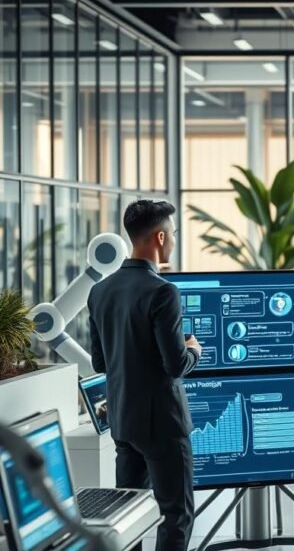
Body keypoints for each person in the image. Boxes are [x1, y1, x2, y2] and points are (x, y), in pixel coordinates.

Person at [88, 200, 201, 551]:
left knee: (128, 516)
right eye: (173, 234)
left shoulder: (99, 291)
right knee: (176, 514)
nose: (174, 241)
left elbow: (100, 362)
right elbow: (175, 365)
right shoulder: (163, 291)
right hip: (163, 426)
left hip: (124, 422)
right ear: (161, 237)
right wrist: (194, 350)